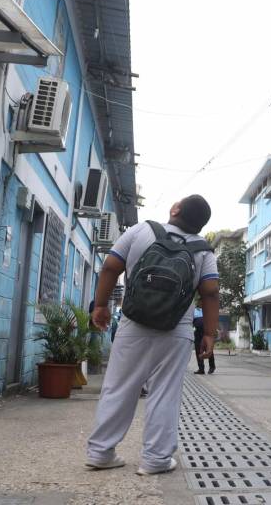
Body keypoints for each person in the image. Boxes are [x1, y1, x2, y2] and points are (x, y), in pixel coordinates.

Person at [86, 195, 219, 474]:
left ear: (175, 209)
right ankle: (156, 460)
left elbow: (110, 266)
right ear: (200, 225)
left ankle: (100, 453)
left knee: (118, 387)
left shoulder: (141, 230)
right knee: (165, 392)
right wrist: (209, 333)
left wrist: (100, 305)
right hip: (177, 329)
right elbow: (210, 292)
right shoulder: (203, 251)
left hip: (133, 324)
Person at [193, 306, 215, 374]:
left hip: (206, 332)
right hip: (198, 333)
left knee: (208, 349)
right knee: (198, 350)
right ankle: (201, 369)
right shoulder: (193, 310)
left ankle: (212, 367)